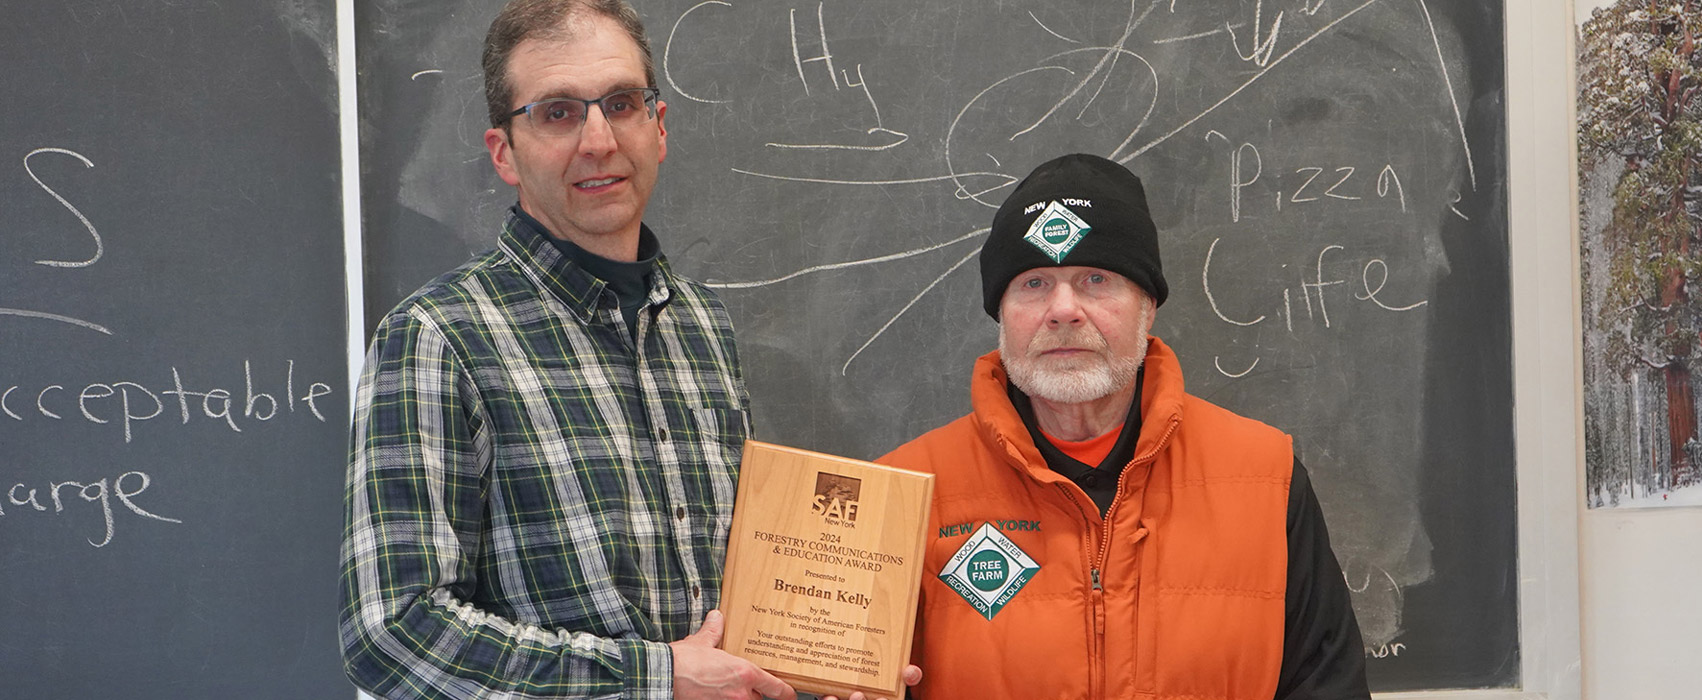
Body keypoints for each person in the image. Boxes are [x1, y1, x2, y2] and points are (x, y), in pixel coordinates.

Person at [339, 2, 917, 698]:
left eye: (620, 103)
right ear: (504, 153)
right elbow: (394, 632)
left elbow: (736, 612)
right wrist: (655, 678)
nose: (598, 139)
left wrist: (827, 662)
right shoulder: (438, 338)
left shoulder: (704, 328)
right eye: (556, 112)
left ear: (659, 126)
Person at [879, 154, 1372, 699]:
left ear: (1147, 307)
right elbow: (839, 671)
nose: (1063, 310)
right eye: (1035, 282)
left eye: (1096, 278)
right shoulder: (903, 491)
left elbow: (1329, 686)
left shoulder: (1265, 479)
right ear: (1003, 315)